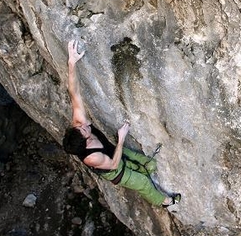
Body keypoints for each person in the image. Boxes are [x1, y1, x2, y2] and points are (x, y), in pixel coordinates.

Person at [62, 40, 180, 207]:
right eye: (84, 130)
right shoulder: (92, 157)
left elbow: (74, 93)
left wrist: (71, 63)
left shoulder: (79, 124)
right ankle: (165, 202)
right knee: (143, 183)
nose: (84, 125)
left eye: (80, 126)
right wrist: (121, 138)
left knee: (149, 164)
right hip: (115, 170)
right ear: (86, 141)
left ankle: (148, 174)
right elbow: (114, 164)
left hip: (113, 150)